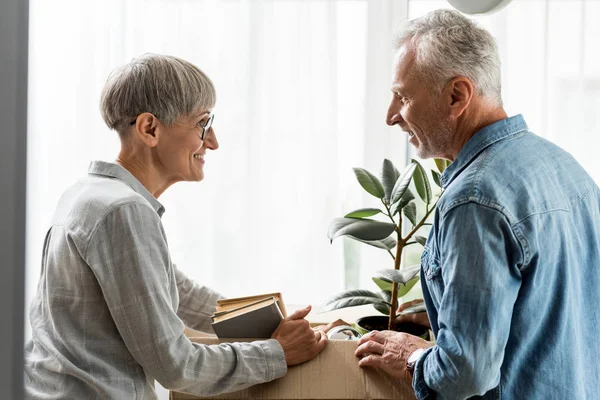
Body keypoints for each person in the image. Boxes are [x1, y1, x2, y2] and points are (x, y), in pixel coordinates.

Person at [24, 54, 327, 399]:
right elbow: (175, 366)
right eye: (202, 123)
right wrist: (278, 353)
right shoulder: (123, 210)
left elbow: (178, 293)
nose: (212, 141)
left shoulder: (89, 193)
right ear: (150, 129)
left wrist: (276, 325)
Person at [355, 9, 600, 400]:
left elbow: (464, 374)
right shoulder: (565, 167)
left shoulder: (473, 199)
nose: (391, 116)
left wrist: (415, 357)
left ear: (457, 96)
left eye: (402, 97)